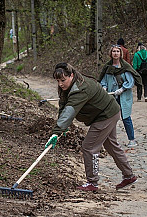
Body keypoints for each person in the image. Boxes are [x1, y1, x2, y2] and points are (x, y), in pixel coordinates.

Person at [45, 63, 137, 191]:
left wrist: (57, 131)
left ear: (71, 76)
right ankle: (129, 176)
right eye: (58, 81)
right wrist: (61, 128)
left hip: (105, 115)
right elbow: (63, 106)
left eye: (63, 80)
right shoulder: (68, 87)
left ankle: (92, 183)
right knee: (111, 145)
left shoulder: (80, 89)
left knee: (89, 147)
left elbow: (70, 111)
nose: (60, 84)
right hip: (107, 113)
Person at [98, 45, 141, 148]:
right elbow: (103, 80)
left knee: (126, 117)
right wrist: (104, 88)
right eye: (114, 51)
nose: (115, 53)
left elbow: (130, 81)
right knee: (111, 118)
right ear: (111, 53)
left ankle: (132, 139)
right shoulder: (108, 67)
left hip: (124, 96)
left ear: (120, 53)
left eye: (117, 51)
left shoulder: (125, 66)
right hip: (112, 96)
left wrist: (122, 89)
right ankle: (112, 141)